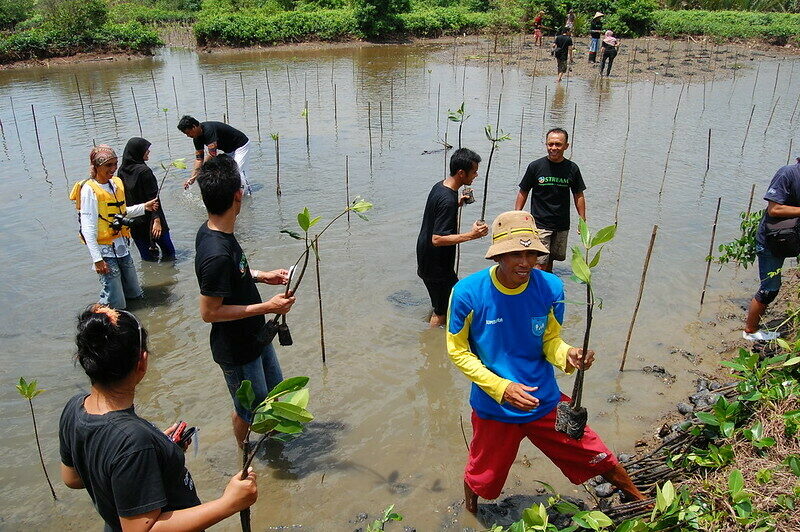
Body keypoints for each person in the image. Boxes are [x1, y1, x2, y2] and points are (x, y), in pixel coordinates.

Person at [447, 211, 646, 514]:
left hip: (544, 400)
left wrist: (568, 355)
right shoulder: (467, 293)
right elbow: (458, 352)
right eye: (515, 253)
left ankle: (640, 499)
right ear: (498, 255)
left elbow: (549, 340)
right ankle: (470, 511)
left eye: (532, 253)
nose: (525, 262)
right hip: (495, 406)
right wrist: (502, 388)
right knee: (482, 475)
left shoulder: (551, 287)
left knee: (594, 452)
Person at [60, 304, 258, 531]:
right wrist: (228, 504)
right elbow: (139, 530)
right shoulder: (134, 441)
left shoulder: (74, 408)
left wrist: (157, 453)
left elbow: (72, 478)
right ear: (142, 362)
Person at [194, 155, 296, 447]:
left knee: (274, 395)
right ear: (238, 195)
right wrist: (269, 307)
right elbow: (209, 312)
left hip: (256, 337)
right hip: (236, 350)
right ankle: (244, 451)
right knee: (249, 410)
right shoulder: (215, 252)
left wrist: (263, 276)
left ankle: (274, 444)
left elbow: (234, 274)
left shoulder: (216, 231)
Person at [69, 145, 159, 309]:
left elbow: (121, 212)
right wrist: (97, 259)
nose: (113, 169)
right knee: (116, 300)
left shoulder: (115, 184)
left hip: (121, 245)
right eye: (108, 165)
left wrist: (144, 207)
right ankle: (102, 317)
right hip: (104, 250)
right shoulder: (89, 190)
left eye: (115, 164)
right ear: (96, 167)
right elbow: (88, 227)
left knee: (135, 292)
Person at [416, 148, 489, 328]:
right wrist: (472, 235)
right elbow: (437, 239)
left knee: (450, 300)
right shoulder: (447, 199)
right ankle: (431, 346)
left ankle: (432, 339)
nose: (476, 175)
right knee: (443, 309)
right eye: (474, 171)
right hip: (436, 265)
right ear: (461, 173)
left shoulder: (441, 186)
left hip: (428, 258)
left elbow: (438, 211)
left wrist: (458, 203)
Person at [515, 128, 586, 272]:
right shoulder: (535, 167)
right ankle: (536, 290)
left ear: (566, 146)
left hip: (561, 224)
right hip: (540, 224)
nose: (554, 148)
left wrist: (582, 220)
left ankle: (547, 289)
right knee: (539, 262)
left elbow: (578, 195)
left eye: (558, 144)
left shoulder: (572, 168)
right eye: (550, 144)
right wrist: (516, 216)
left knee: (553, 258)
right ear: (546, 144)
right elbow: (524, 191)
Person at [744, 158, 800, 341]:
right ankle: (750, 331)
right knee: (769, 289)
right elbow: (774, 210)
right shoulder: (787, 173)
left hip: (791, 238)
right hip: (771, 241)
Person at [118, 137, 176, 262]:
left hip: (135, 220)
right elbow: (154, 198)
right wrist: (157, 221)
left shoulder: (122, 171)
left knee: (148, 259)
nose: (148, 152)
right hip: (151, 220)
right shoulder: (144, 172)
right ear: (137, 151)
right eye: (146, 150)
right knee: (169, 254)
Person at [177, 115, 252, 194]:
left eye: (188, 133)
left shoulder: (209, 130)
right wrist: (192, 178)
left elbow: (212, 154)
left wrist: (199, 173)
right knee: (227, 174)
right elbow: (199, 159)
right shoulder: (196, 138)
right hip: (229, 150)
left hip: (241, 146)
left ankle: (248, 193)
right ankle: (235, 195)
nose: (188, 136)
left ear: (194, 126)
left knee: (237, 171)